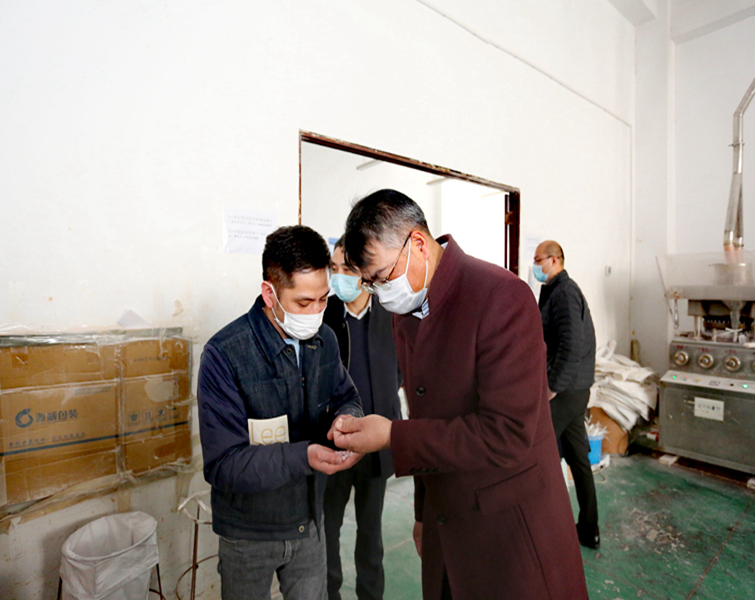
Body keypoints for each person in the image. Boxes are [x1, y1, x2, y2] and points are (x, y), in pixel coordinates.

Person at [330, 189, 588, 600]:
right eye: (371, 284)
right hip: (445, 518)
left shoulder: (501, 296)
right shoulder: (407, 312)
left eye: (381, 276)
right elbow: (425, 416)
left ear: (418, 243)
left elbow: (508, 434)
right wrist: (422, 514)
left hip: (509, 527)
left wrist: (392, 436)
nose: (380, 291)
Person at [197, 225, 364, 600]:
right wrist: (304, 456)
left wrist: (346, 421)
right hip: (248, 535)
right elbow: (223, 465)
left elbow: (346, 395)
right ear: (269, 293)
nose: (316, 312)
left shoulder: (324, 341)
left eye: (323, 299)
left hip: (310, 523)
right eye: (304, 303)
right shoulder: (224, 355)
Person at [322, 235, 403, 600]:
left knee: (371, 534)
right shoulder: (324, 317)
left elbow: (400, 370)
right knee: (328, 530)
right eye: (334, 268)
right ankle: (330, 593)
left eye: (348, 269)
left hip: (376, 445)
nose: (339, 276)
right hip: (333, 442)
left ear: (365, 272)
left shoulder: (391, 314)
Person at [534, 240, 599, 549]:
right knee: (577, 458)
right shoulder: (554, 291)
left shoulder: (565, 292)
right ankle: (589, 529)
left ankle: (543, 529)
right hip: (574, 389)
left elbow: (571, 345)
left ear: (555, 259)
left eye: (538, 260)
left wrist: (552, 386)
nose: (535, 266)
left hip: (567, 391)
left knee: (535, 453)